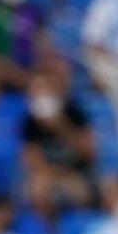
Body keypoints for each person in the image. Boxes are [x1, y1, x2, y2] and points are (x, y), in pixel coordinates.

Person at [20, 71, 98, 219]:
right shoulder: (29, 123)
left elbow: (88, 152)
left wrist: (61, 127)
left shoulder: (75, 114)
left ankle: (80, 227)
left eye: (47, 88)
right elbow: (33, 162)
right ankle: (48, 231)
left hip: (76, 175)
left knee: (80, 190)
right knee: (39, 188)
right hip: (48, 175)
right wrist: (55, 175)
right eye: (38, 89)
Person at [0, 0, 65, 107]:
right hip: (2, 66)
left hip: (29, 65)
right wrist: (8, 68)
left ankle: (52, 112)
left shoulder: (34, 9)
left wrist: (40, 63)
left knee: (59, 67)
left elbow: (43, 42)